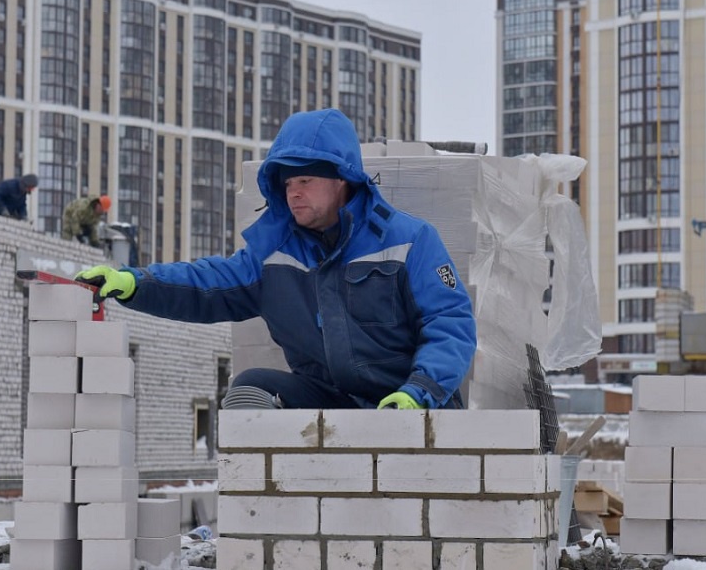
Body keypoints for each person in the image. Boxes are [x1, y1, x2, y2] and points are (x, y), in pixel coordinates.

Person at [76, 108, 476, 410]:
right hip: (334, 405)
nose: (294, 193)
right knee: (250, 387)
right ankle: (265, 508)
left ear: (342, 179)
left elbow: (449, 322)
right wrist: (135, 283)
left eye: (305, 180)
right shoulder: (274, 255)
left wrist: (418, 393)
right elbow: (208, 284)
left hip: (413, 408)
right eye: (287, 184)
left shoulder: (410, 240)